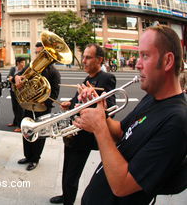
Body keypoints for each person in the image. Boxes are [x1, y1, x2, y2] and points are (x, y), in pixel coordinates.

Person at [75, 26, 186, 204]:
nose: (137, 64)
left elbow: (123, 185)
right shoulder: (153, 97)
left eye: (145, 56)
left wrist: (99, 127)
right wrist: (99, 110)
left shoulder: (177, 122)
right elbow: (121, 132)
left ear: (167, 61)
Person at [49, 43, 116, 205]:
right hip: (73, 132)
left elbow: (110, 108)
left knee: (73, 173)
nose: (83, 60)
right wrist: (69, 104)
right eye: (83, 56)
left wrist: (94, 100)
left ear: (99, 60)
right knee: (67, 168)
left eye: (88, 57)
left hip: (84, 136)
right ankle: (65, 195)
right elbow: (77, 100)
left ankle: (68, 201)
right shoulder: (88, 78)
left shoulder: (106, 78)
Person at [15, 42, 61, 171]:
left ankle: (35, 159)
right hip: (29, 106)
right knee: (26, 131)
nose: (37, 56)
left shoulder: (54, 73)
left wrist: (43, 102)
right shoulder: (31, 67)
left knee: (40, 135)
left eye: (40, 53)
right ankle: (28, 156)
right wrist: (18, 77)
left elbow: (55, 93)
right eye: (36, 53)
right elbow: (18, 76)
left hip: (43, 109)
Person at [7, 56, 26, 132]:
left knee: (20, 109)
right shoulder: (13, 69)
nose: (24, 64)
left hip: (21, 92)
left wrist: (14, 78)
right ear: (18, 63)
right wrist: (15, 78)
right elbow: (9, 78)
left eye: (24, 62)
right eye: (22, 62)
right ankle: (15, 122)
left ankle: (20, 126)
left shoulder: (25, 70)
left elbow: (23, 78)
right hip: (13, 91)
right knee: (15, 108)